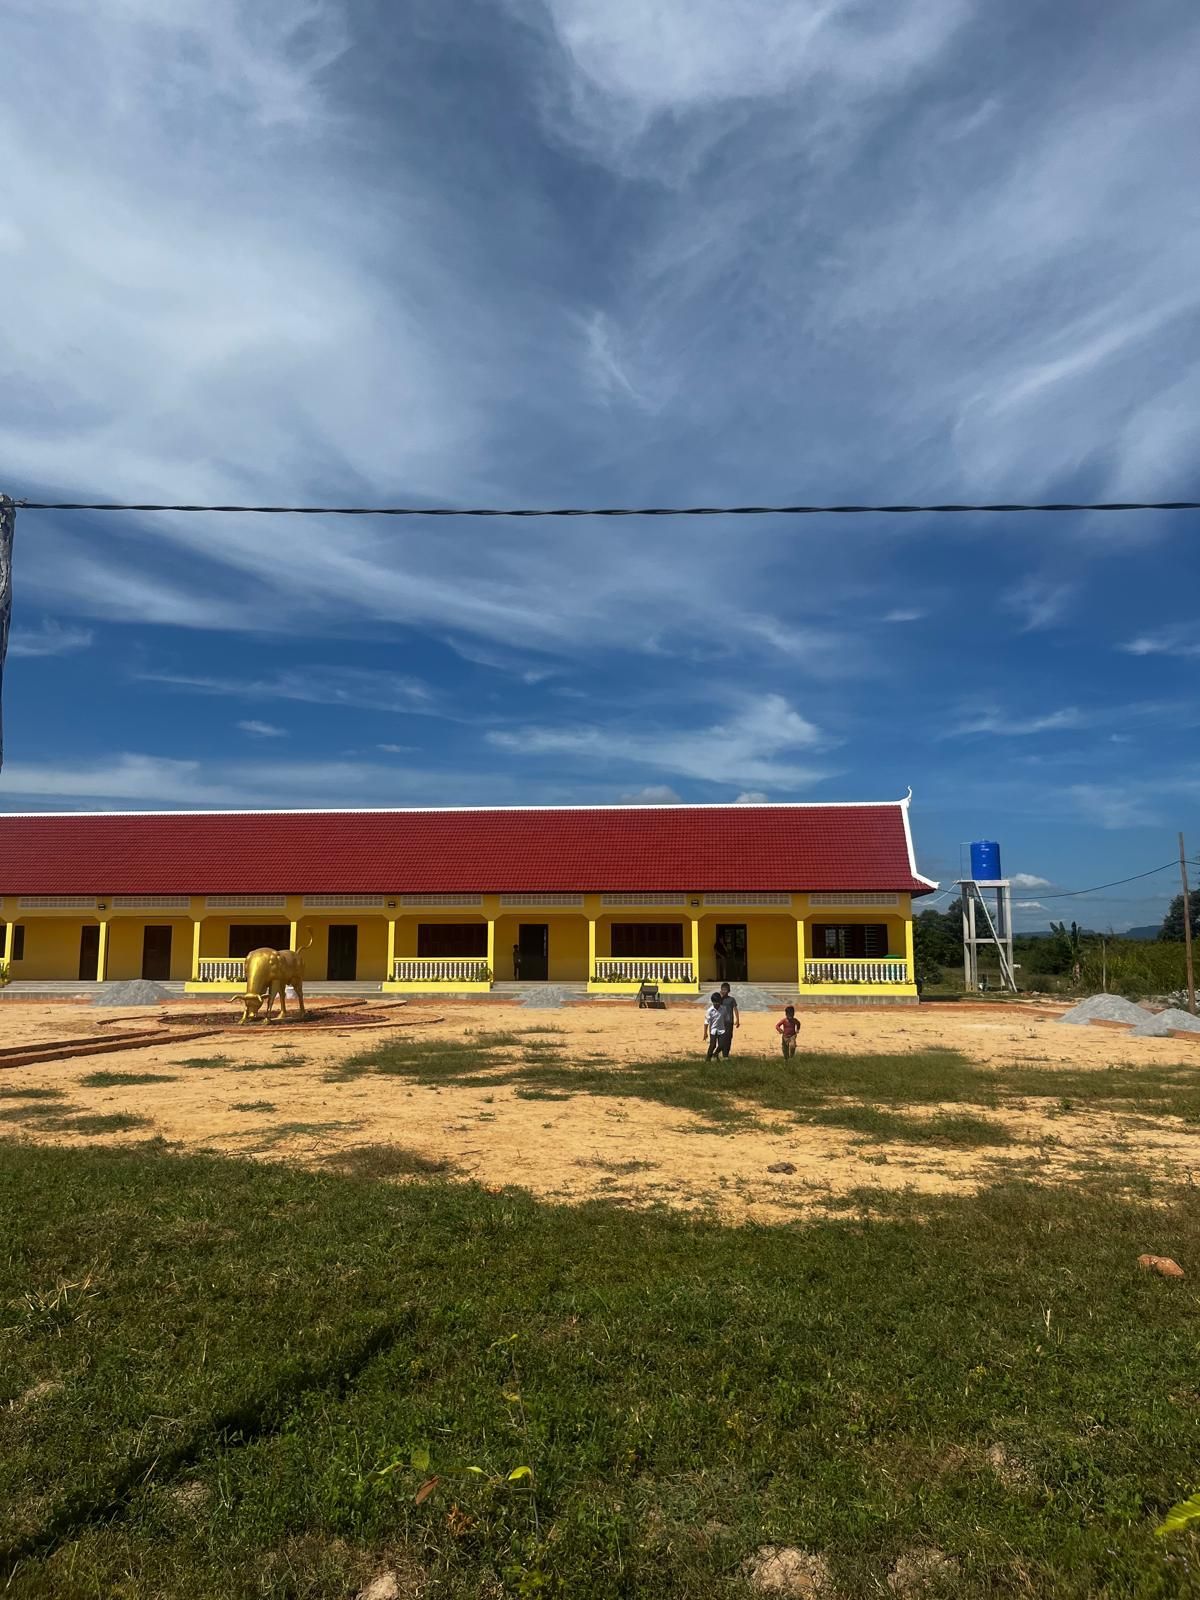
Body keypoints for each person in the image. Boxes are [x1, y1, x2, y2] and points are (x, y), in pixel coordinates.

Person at [704, 991, 729, 1061]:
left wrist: (727, 1029)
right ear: (713, 1002)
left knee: (722, 1045)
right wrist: (705, 1033)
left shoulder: (724, 1009)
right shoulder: (710, 1011)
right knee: (713, 1045)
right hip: (713, 1030)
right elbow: (706, 1022)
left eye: (718, 1002)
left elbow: (726, 1019)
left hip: (722, 1030)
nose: (716, 1004)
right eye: (715, 1002)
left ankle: (715, 1054)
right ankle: (708, 1059)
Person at [718, 981, 740, 1052]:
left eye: (725, 990)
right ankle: (717, 1053)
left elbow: (735, 1009)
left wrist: (737, 1020)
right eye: (722, 989)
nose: (723, 991)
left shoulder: (731, 999)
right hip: (720, 1022)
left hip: (729, 1022)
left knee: (729, 1038)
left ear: (729, 991)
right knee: (721, 1038)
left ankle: (726, 1054)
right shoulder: (719, 999)